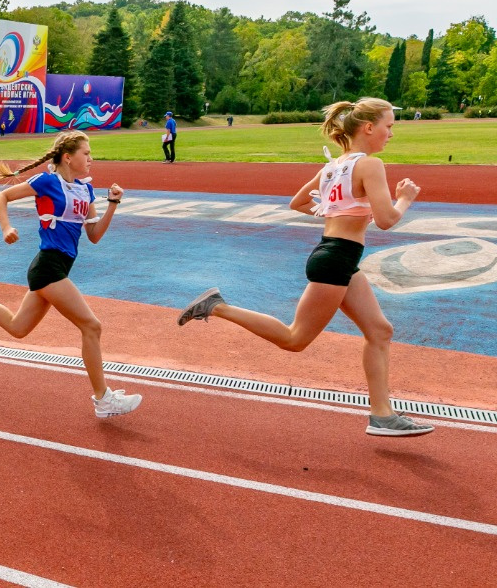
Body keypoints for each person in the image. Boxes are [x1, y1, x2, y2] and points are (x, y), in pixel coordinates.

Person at [177, 97, 433, 437]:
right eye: (389, 127)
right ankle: (218, 307)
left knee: (380, 331)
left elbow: (297, 202)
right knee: (294, 339)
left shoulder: (332, 167)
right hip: (337, 258)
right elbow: (386, 220)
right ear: (369, 128)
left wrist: (334, 212)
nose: (391, 134)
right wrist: (405, 198)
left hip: (338, 256)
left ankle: (382, 414)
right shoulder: (371, 165)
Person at [0, 130, 142, 418]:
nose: (91, 158)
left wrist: (113, 204)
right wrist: (6, 227)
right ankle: (102, 398)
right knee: (91, 326)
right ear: (68, 158)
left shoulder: (86, 190)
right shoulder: (48, 181)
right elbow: (2, 197)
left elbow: (93, 235)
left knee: (18, 328)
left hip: (58, 267)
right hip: (48, 267)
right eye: (86, 153)